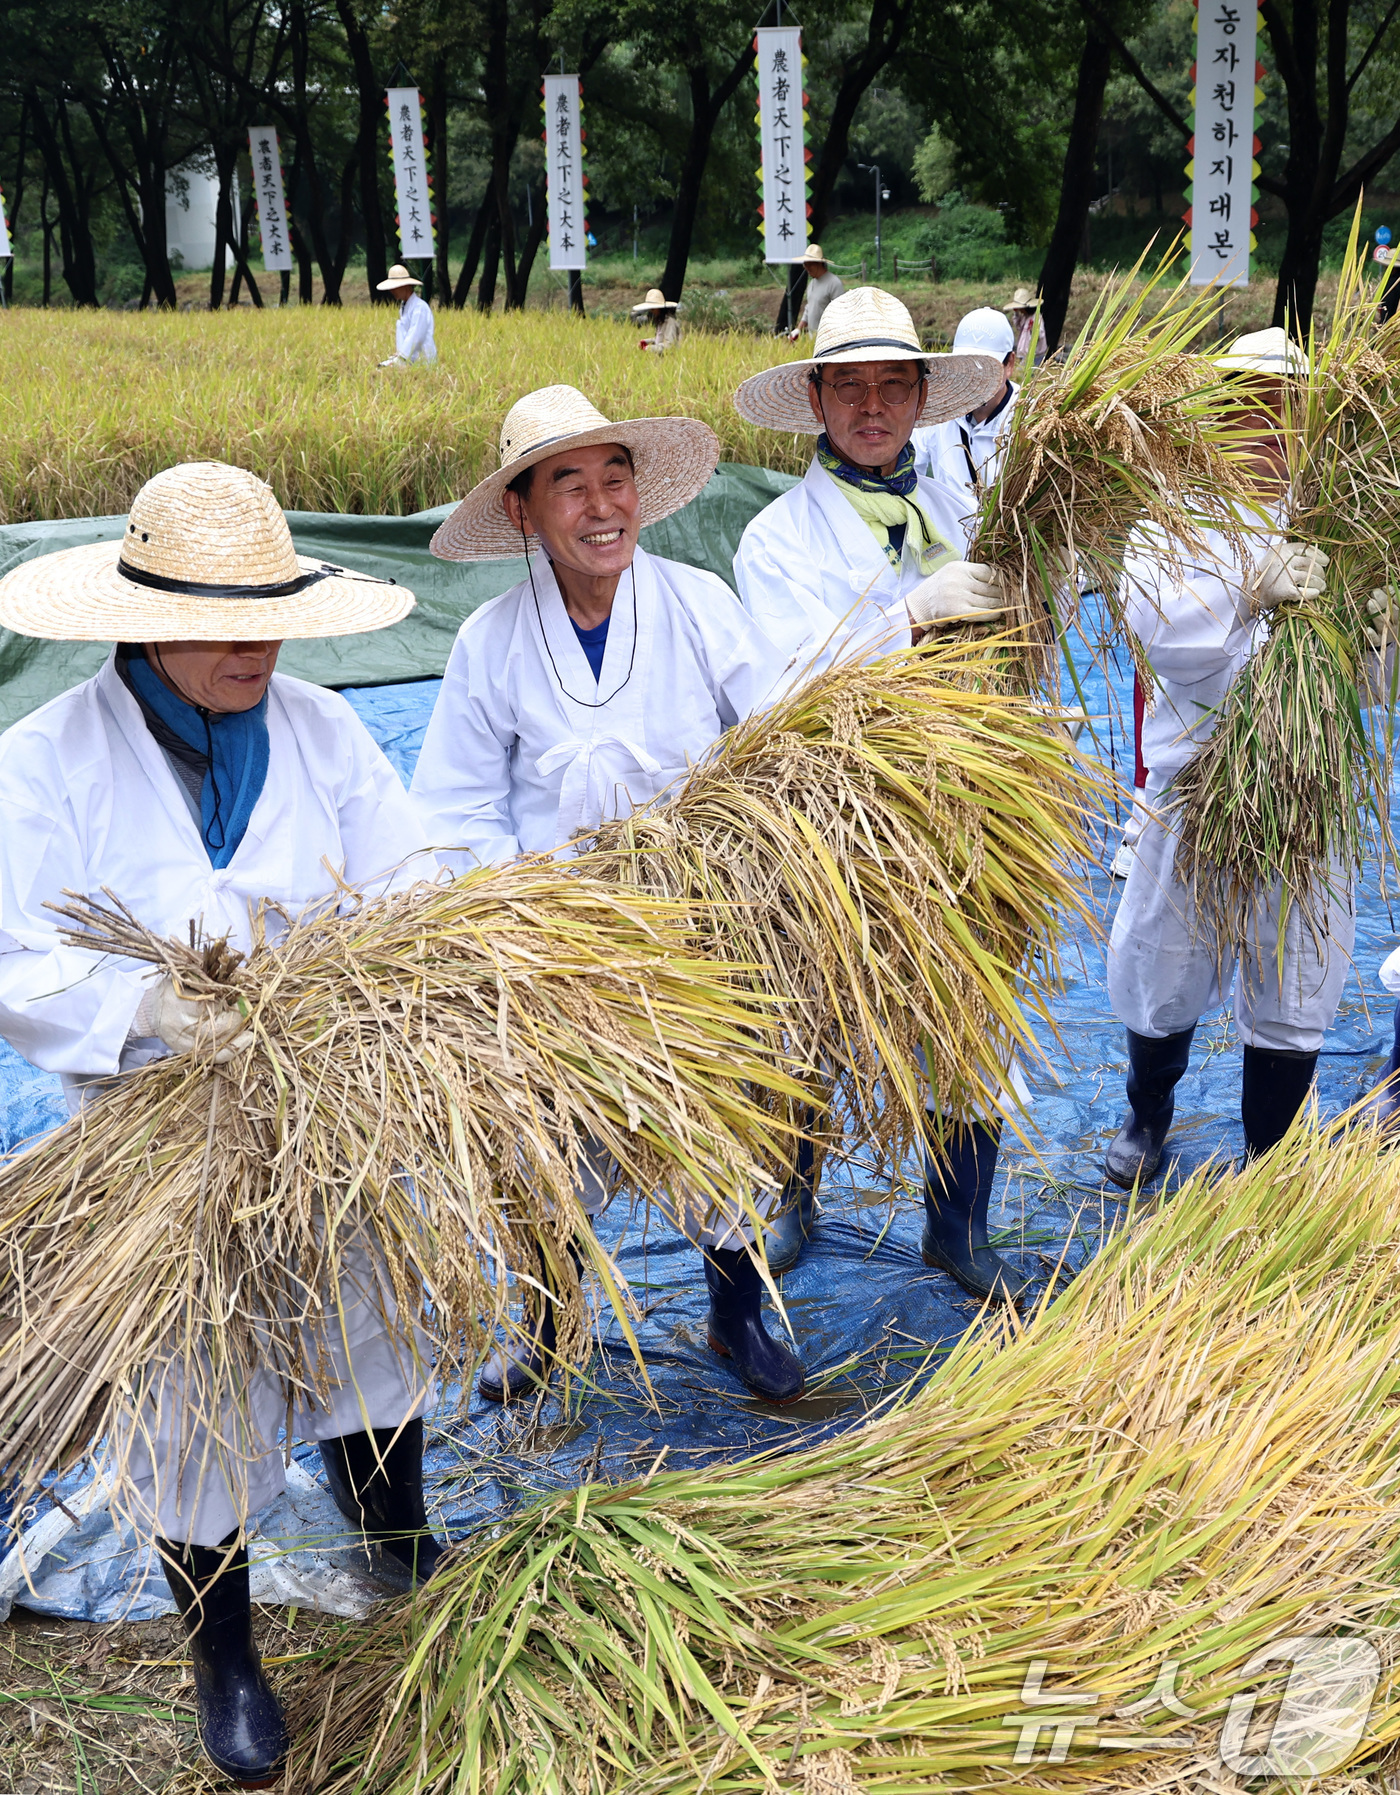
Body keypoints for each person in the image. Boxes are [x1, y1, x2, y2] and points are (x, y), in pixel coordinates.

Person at [0, 462, 445, 1787]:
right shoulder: (41, 763)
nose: (255, 642)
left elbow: (411, 877)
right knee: (199, 1387)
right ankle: (226, 1650)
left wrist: (360, 984)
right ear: (136, 619)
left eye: (270, 612)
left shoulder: (321, 730)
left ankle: (398, 1544)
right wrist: (143, 1006)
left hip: (331, 1112)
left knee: (378, 1323)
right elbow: (10, 949)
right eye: (219, 615)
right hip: (163, 1149)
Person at [412, 383, 806, 1406]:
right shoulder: (490, 644)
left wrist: (726, 858)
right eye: (569, 486)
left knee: (719, 1136)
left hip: (697, 929)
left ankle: (734, 1318)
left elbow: (773, 745)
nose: (600, 508)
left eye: (614, 479)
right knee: (541, 1155)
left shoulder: (699, 605)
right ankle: (549, 1329)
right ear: (523, 512)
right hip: (557, 952)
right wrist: (525, 909)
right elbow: (454, 806)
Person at [731, 286, 1032, 1297]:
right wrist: (907, 617)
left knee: (968, 1013)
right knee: (812, 1011)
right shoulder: (775, 538)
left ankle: (957, 1225)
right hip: (838, 818)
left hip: (967, 808)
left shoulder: (961, 509)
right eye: (848, 386)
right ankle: (789, 1197)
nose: (871, 406)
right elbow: (782, 688)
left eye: (891, 385)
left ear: (919, 397)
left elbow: (1015, 634)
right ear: (815, 399)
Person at [1103, 327, 1391, 1182]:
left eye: (1287, 411)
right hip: (1194, 789)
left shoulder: (1344, 528)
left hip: (1307, 794)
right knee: (1163, 964)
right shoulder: (1173, 521)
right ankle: (1146, 1111)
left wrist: (1379, 635)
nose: (1267, 428)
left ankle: (1268, 1158)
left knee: (1298, 970)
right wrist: (1247, 585)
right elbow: (1159, 628)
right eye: (1246, 407)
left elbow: (1372, 686)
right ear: (1213, 418)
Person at [911, 305, 1019, 498]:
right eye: (967, 366)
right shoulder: (937, 409)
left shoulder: (1027, 417)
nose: (975, 378)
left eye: (987, 368)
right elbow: (909, 469)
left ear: (1009, 364)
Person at [377, 262, 437, 365]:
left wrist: (402, 358)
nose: (392, 291)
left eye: (396, 287)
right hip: (408, 358)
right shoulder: (404, 307)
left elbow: (415, 336)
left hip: (422, 360)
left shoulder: (419, 308)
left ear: (406, 286)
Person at [789, 242, 845, 340]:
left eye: (809, 265)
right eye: (805, 265)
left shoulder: (834, 283)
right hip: (813, 339)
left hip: (829, 339)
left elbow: (841, 313)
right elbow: (809, 308)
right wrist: (798, 329)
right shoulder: (812, 284)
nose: (807, 268)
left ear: (819, 263)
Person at [1004, 286, 1046, 367]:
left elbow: (1040, 334)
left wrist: (1033, 329)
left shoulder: (1037, 317)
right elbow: (1018, 327)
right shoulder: (1024, 317)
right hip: (1024, 354)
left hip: (1035, 355)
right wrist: (1016, 314)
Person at [630, 286, 681, 353]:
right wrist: (646, 341)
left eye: (653, 309)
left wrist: (648, 348)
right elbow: (660, 340)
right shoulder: (661, 321)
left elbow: (669, 346)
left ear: (660, 308)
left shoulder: (670, 322)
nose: (652, 311)